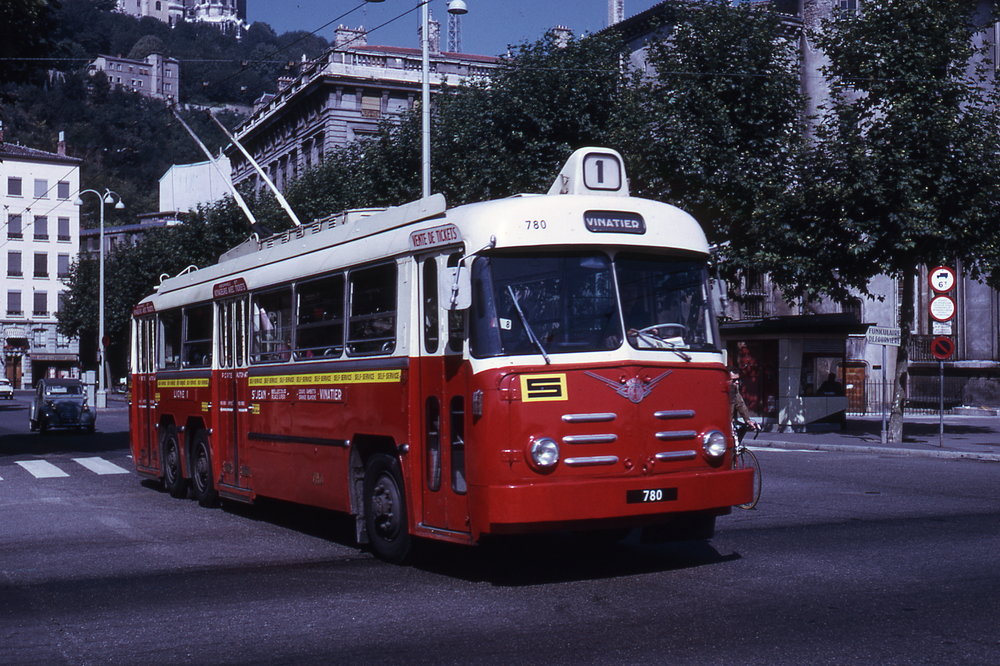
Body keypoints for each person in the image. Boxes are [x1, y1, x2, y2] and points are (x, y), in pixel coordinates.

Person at [729, 369, 761, 434]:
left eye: (738, 379)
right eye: (734, 380)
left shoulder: (734, 390)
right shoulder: (720, 392)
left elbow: (740, 404)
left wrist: (747, 420)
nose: (737, 382)